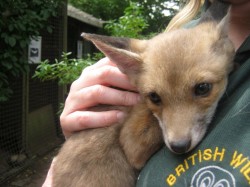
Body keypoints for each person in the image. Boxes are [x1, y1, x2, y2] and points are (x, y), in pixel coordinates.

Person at [43, 0, 250, 186]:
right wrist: (83, 125)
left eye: (202, 89)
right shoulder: (172, 40)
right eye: (155, 98)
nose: (177, 138)